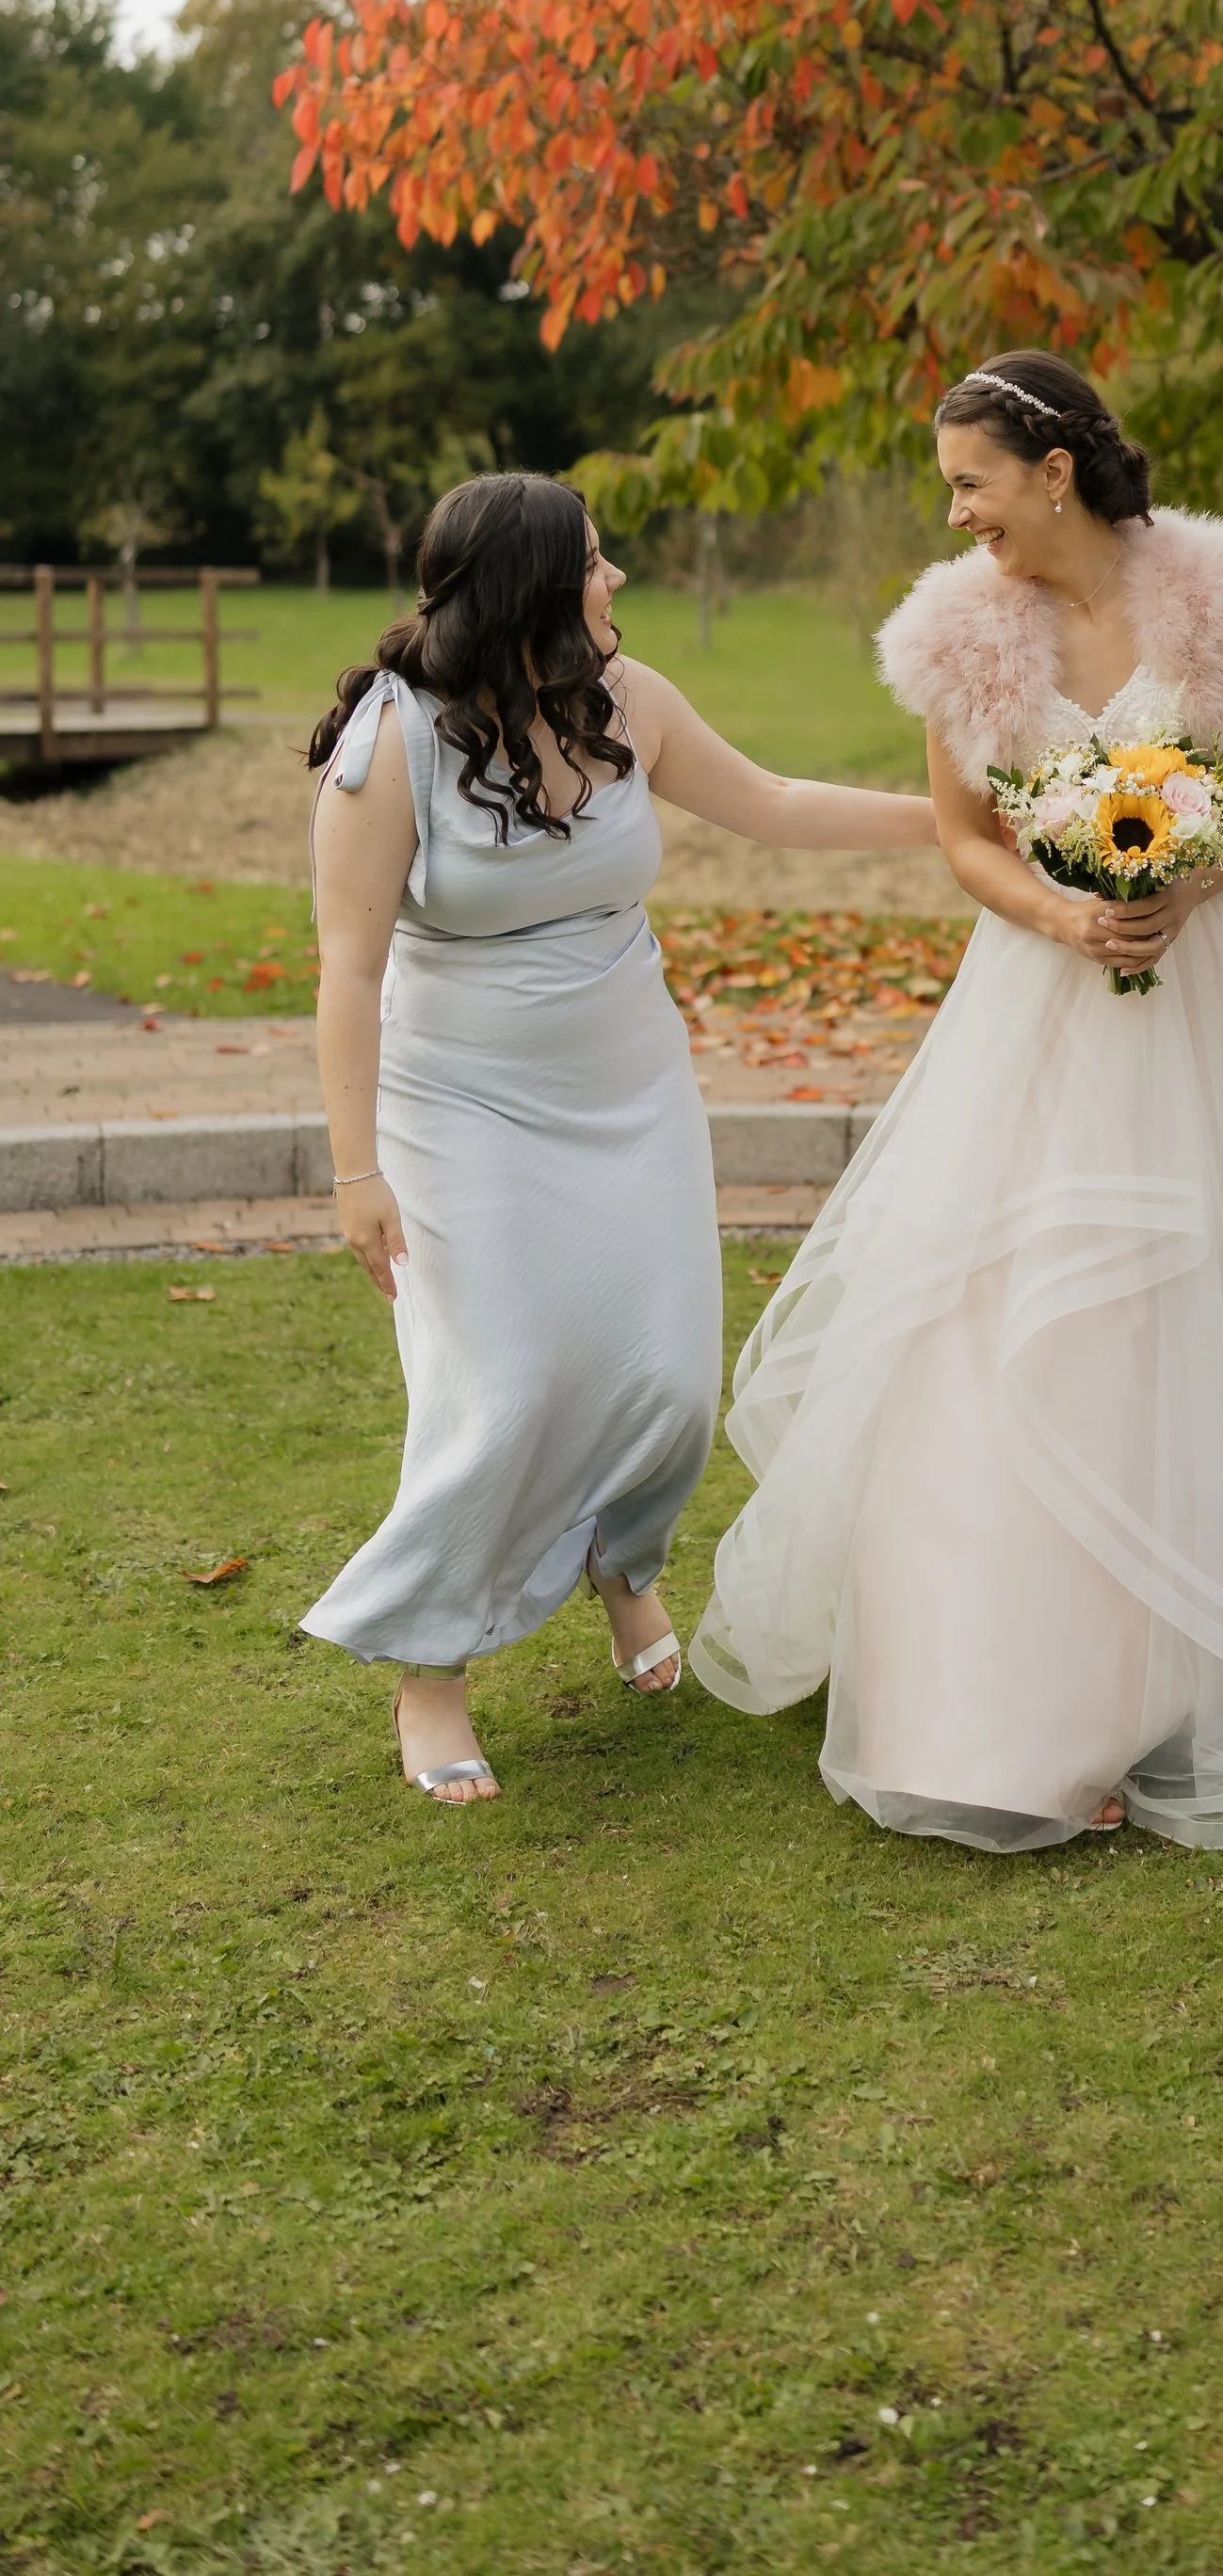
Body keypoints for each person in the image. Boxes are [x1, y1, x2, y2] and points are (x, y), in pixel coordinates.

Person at [690, 351, 1223, 1850]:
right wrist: (1062, 917)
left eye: (972, 480)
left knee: (1209, 1308)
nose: (958, 510)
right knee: (1009, 1312)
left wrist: (1191, 875)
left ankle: (1186, 1668)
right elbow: (962, 836)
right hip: (1040, 1013)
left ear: (1053, 470)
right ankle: (1002, 1689)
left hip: (1213, 998)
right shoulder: (956, 637)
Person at [302, 471, 938, 1805]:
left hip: (630, 1088)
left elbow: (770, 801)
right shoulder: (394, 737)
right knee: (508, 1383)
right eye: (597, 562)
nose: (620, 580)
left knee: (665, 1382)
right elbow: (347, 970)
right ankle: (432, 1663)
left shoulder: (626, 702)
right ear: (533, 588)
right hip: (458, 1109)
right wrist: (356, 1172)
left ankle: (623, 1567)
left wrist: (958, 826)